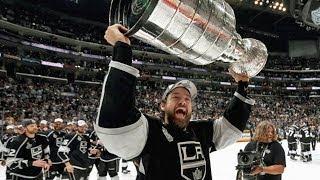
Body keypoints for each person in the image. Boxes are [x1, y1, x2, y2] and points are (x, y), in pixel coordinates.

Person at [94, 24, 254, 180]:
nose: (183, 102)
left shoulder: (201, 131)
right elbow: (115, 122)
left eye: (187, 99)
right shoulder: (150, 132)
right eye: (176, 97)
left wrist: (243, 84)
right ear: (163, 105)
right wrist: (122, 49)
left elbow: (231, 127)